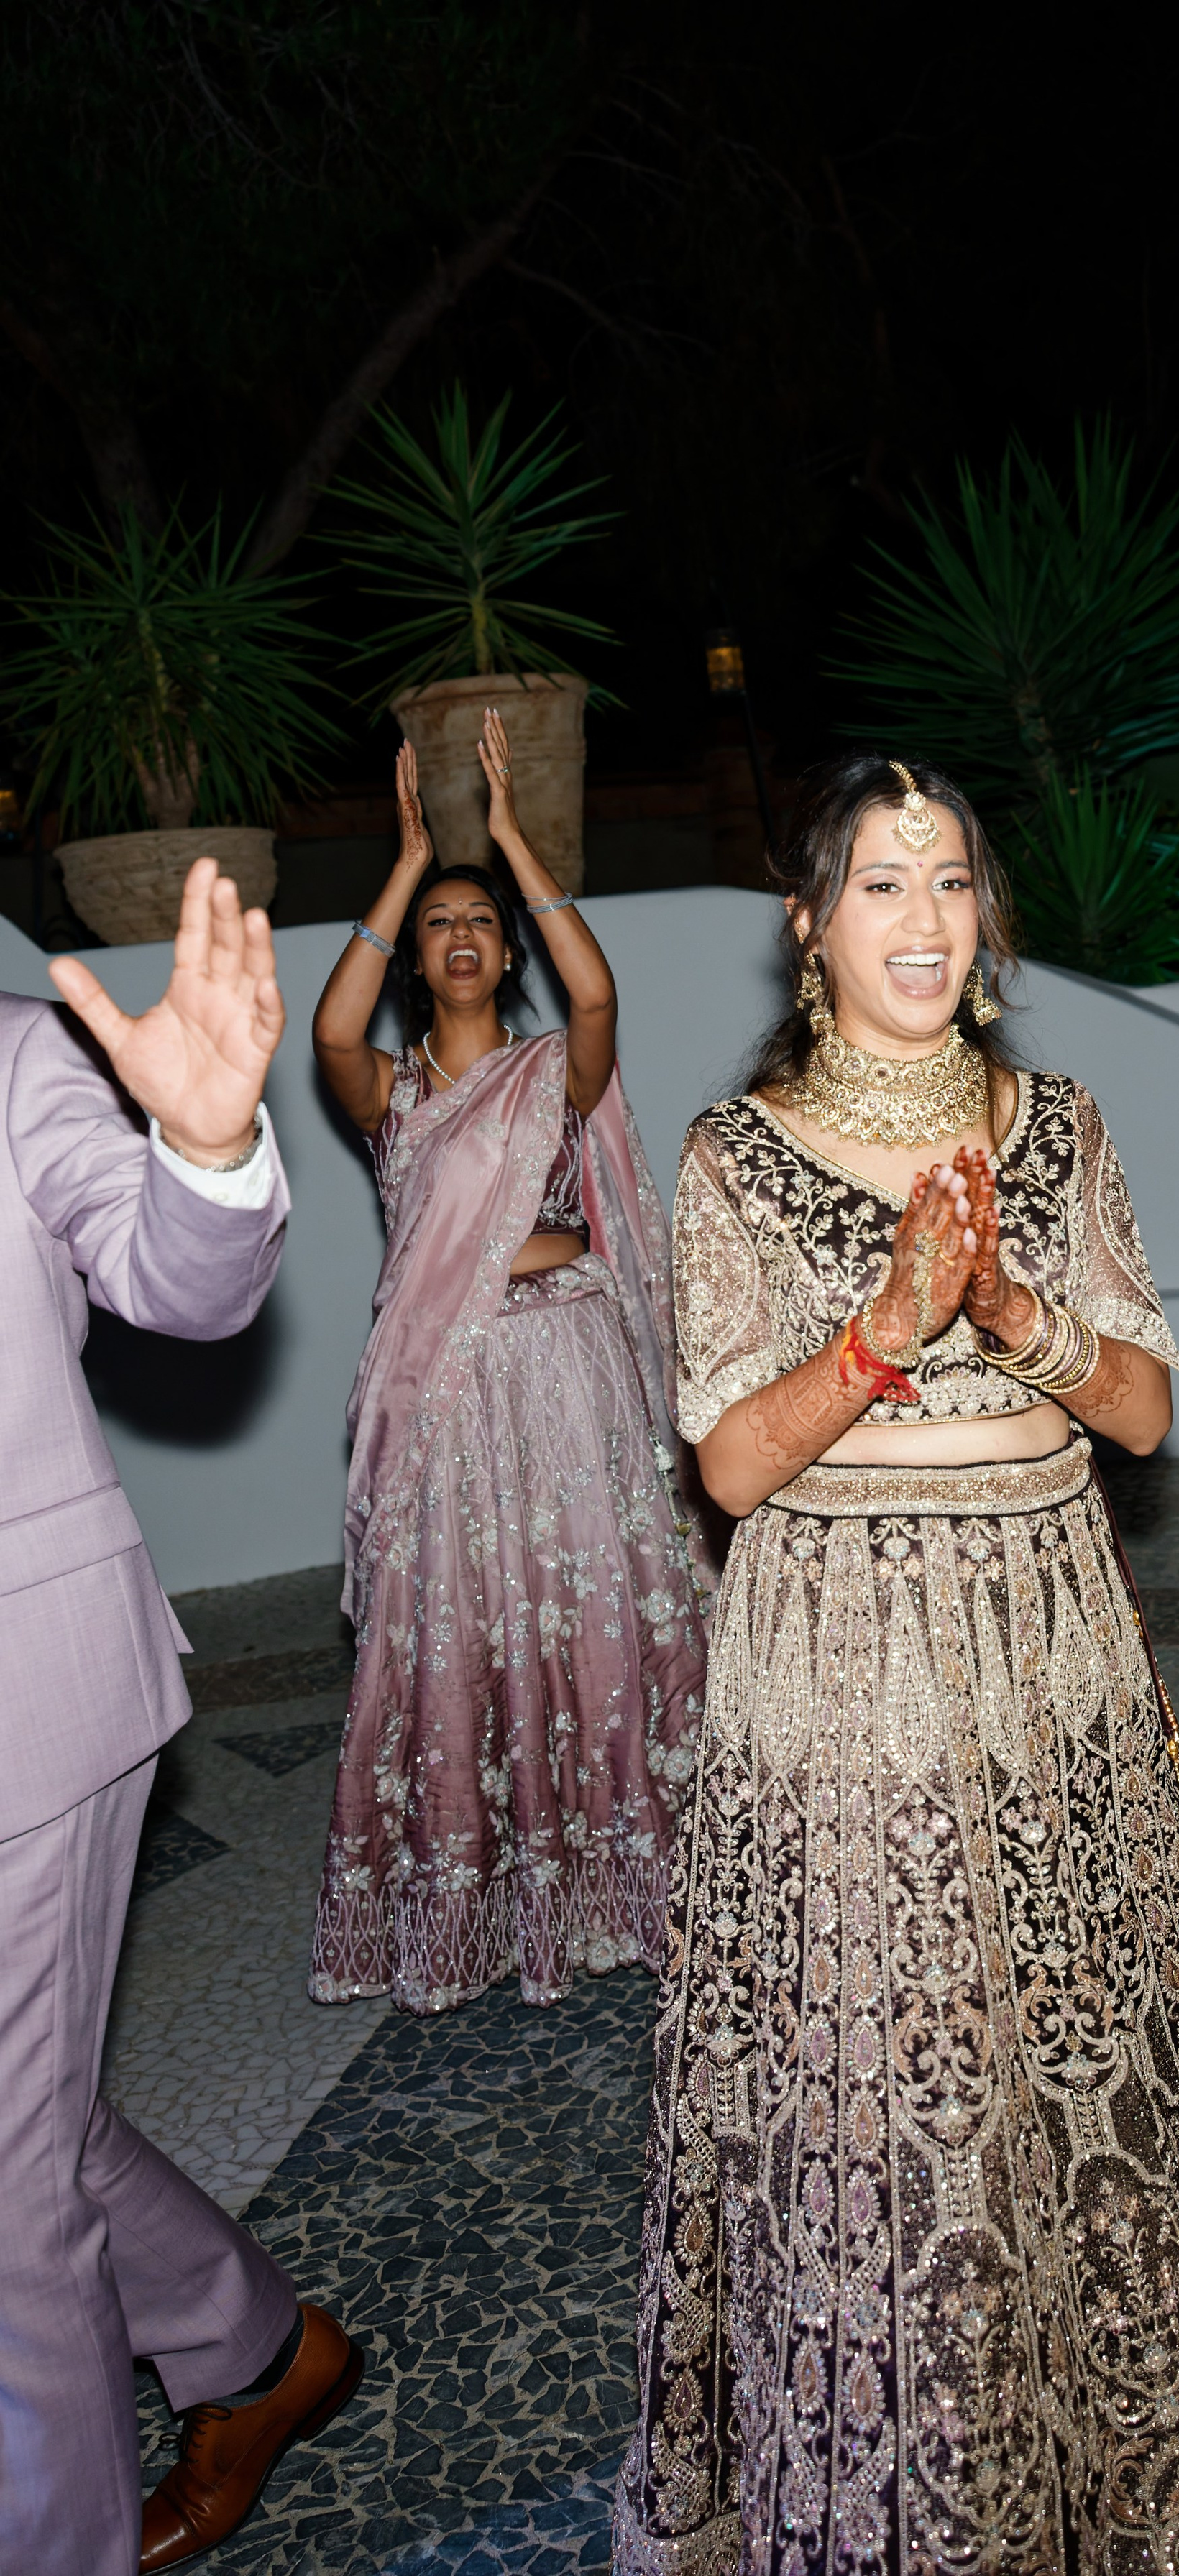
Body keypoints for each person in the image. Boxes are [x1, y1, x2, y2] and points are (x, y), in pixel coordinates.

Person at [609, 753, 1179, 2575]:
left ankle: (1137, 2450)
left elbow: (1141, 1411)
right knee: (900, 2082)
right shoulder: (730, 1157)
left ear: (987, 920)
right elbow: (733, 1467)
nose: (923, 919)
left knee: (1089, 2057)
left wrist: (1010, 1312)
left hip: (1052, 1646)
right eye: (881, 884)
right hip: (843, 1676)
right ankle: (911, 2482)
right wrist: (884, 1332)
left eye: (951, 881)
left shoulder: (1054, 1124)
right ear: (806, 925)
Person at [0, 858, 361, 2576]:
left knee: (2, 2214)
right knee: (27, 2124)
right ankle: (251, 2345)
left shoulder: (18, 1064)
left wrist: (210, 1148)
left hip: (20, 1720)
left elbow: (178, 1278)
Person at [308, 710, 715, 2015]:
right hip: (449, 1399)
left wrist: (517, 848)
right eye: (443, 923)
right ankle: (483, 1889)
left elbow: (597, 995)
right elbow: (325, 1036)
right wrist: (406, 858)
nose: (465, 933)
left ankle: (632, 1871)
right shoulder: (393, 1092)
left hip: (569, 1372)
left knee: (594, 1615)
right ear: (419, 961)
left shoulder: (557, 1071)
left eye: (480, 918)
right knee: (462, 1632)